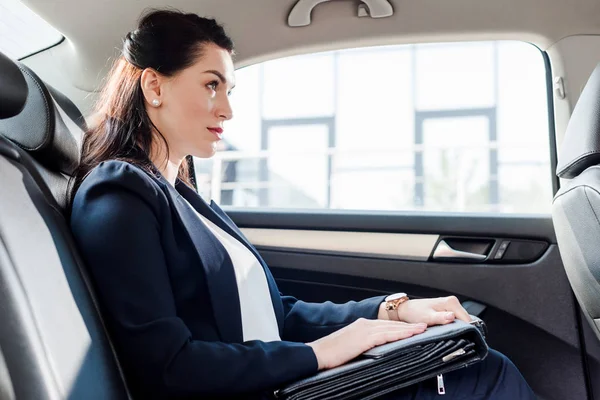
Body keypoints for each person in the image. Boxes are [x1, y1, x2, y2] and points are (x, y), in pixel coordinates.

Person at [68, 9, 537, 400]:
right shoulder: (120, 194)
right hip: (262, 390)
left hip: (280, 379)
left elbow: (279, 316)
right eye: (212, 84)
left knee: (473, 363)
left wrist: (391, 310)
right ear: (154, 86)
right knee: (481, 375)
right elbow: (168, 366)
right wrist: (323, 353)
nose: (227, 109)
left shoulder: (186, 199)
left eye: (229, 89)